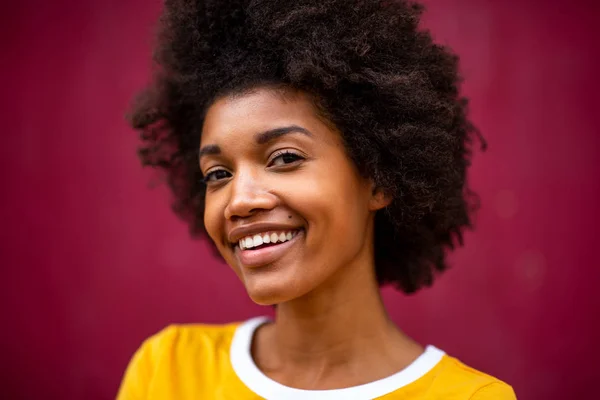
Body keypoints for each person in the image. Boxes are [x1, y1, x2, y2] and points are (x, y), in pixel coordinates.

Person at [117, 0, 516, 398]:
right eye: (218, 174)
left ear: (378, 179)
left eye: (285, 158)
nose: (239, 201)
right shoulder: (168, 372)